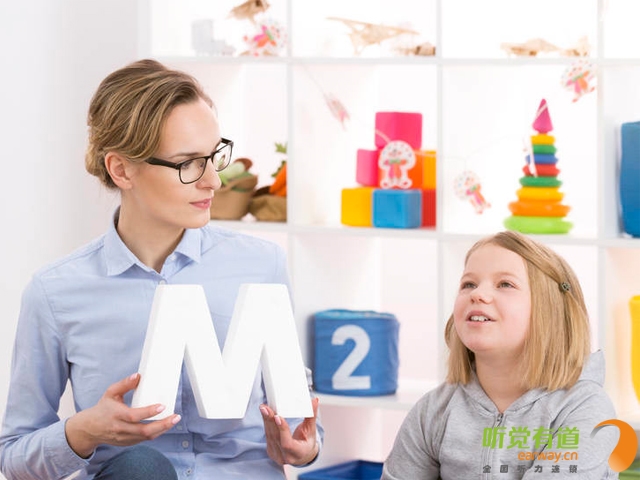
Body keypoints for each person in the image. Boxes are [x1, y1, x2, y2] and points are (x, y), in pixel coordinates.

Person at [0, 59, 322, 480]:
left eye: (214, 156)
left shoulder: (261, 265)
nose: (214, 181)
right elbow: (13, 456)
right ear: (121, 169)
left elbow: (299, 419)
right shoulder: (56, 292)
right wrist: (83, 431)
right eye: (188, 163)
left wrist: (304, 448)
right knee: (142, 467)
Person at [382, 230, 619, 479]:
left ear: (550, 310)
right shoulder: (433, 410)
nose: (477, 294)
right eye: (469, 284)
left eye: (505, 284)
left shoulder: (584, 408)